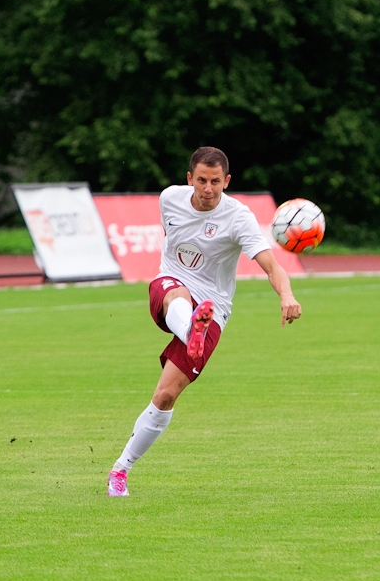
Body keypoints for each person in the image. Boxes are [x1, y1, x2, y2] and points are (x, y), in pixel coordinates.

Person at [107, 146, 302, 497]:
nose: (208, 188)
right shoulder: (169, 199)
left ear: (227, 181)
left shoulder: (238, 217)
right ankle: (190, 326)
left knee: (166, 395)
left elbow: (272, 267)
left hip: (215, 307)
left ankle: (120, 470)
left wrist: (287, 296)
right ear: (189, 179)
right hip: (169, 287)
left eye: (215, 181)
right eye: (201, 180)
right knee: (176, 293)